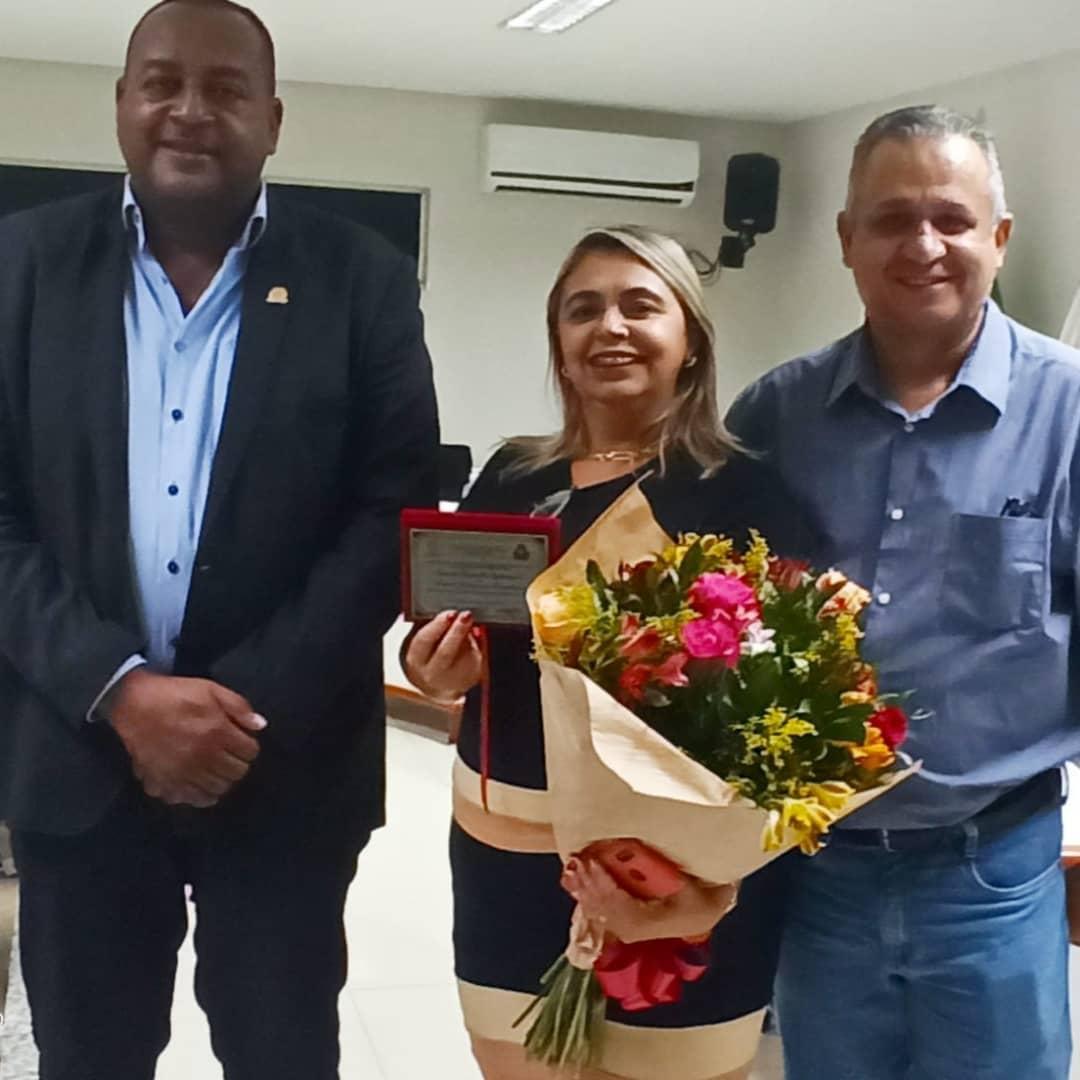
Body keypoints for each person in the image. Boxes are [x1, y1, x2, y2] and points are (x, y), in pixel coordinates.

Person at [0, 2, 438, 1078]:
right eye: (162, 82)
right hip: (77, 756)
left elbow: (392, 506)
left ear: (274, 119)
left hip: (286, 766)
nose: (190, 111)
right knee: (87, 1058)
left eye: (228, 89)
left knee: (283, 1054)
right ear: (121, 103)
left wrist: (233, 710)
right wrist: (121, 691)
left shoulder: (362, 277)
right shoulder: (20, 265)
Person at [405, 226, 816, 1080]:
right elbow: (447, 628)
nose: (610, 327)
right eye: (583, 310)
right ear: (559, 341)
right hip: (506, 865)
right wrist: (432, 666)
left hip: (681, 884)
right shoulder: (513, 476)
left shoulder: (747, 491)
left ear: (690, 339)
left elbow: (794, 714)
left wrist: (705, 888)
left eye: (640, 305)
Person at [726, 104, 1080, 1080]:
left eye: (952, 219)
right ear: (847, 239)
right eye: (890, 219)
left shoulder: (1069, 411)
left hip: (991, 873)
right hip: (817, 871)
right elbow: (713, 621)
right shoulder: (776, 414)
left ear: (999, 238)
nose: (923, 245)